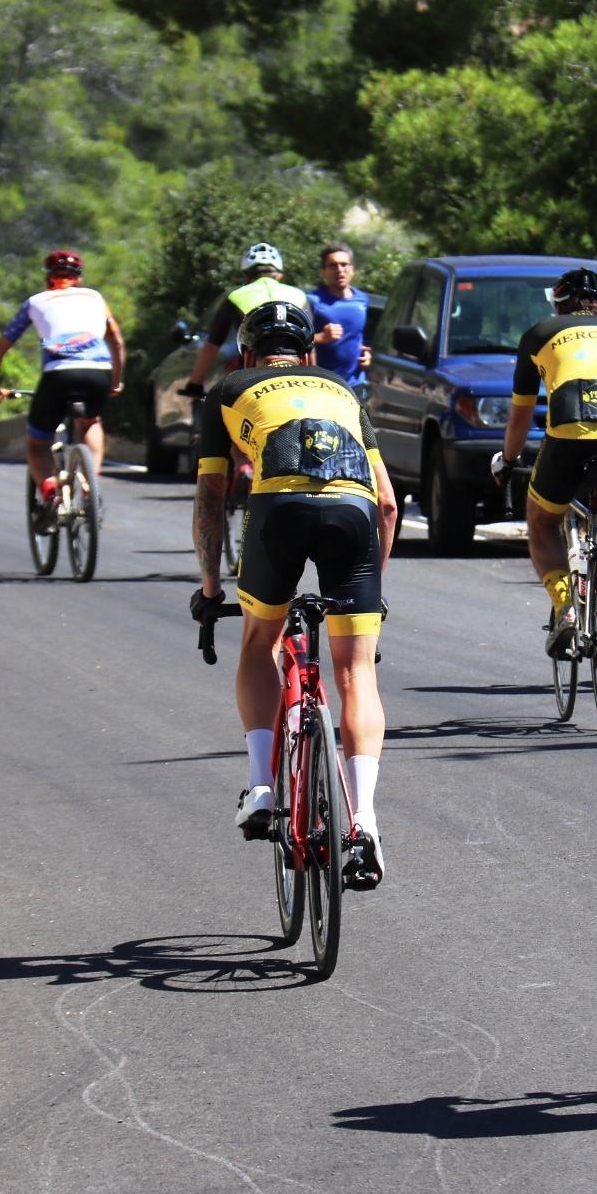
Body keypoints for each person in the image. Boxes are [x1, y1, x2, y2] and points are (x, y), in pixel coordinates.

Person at [190, 300, 400, 887]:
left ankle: (261, 787)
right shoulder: (342, 388)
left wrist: (210, 588)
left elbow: (210, 497)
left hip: (277, 510)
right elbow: (387, 503)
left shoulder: (228, 389)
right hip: (354, 512)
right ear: (308, 356)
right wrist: (374, 592)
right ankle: (364, 822)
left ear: (246, 355)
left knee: (259, 643)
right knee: (356, 671)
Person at [489, 267, 597, 659]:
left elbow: (520, 418)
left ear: (557, 304)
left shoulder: (539, 334)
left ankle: (566, 610)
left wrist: (508, 460)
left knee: (542, 521)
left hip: (569, 432)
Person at [0, 250, 124, 526]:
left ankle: (50, 494)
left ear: (48, 277)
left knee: (38, 444)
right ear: (79, 278)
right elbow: (117, 342)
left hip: (58, 374)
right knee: (91, 421)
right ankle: (90, 485)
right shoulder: (95, 298)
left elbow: (1, 346)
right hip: (98, 371)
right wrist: (115, 381)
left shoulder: (35, 302)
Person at [179, 241, 306, 400]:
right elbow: (311, 346)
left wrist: (195, 384)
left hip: (249, 379)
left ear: (246, 275)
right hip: (296, 379)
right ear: (279, 275)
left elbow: (211, 346)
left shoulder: (235, 296)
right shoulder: (300, 296)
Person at [306, 243, 373, 395]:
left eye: (344, 264)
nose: (339, 270)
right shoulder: (313, 301)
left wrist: (368, 354)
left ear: (352, 269)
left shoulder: (362, 300)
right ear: (323, 272)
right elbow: (297, 340)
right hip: (324, 385)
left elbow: (359, 337)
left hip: (356, 383)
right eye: (333, 265)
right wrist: (321, 337)